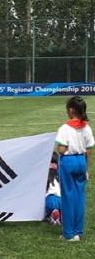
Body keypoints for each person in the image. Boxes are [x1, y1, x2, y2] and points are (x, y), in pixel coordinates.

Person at [55, 96, 94, 241]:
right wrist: (86, 168)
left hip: (68, 161)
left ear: (70, 110)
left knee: (68, 197)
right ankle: (78, 231)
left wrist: (61, 147)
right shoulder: (87, 128)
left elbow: (61, 149)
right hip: (81, 161)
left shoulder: (65, 128)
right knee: (79, 197)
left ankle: (69, 233)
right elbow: (89, 150)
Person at [45, 153, 61, 225]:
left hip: (49, 200)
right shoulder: (60, 176)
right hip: (61, 201)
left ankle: (51, 214)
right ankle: (58, 214)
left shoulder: (45, 177)